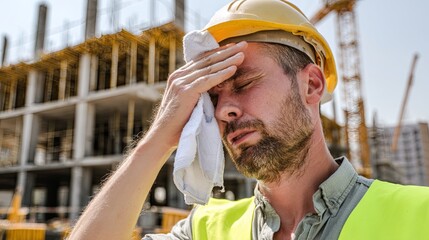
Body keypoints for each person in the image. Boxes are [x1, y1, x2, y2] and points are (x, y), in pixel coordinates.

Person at [69, 0, 429, 239]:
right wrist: (159, 138)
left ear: (312, 85)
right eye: (211, 98)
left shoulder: (419, 217)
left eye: (243, 83)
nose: (224, 110)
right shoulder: (207, 230)